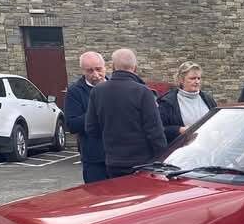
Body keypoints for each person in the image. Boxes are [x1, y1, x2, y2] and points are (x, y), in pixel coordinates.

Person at [85, 48, 167, 178]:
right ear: (135, 67)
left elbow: (91, 129)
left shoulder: (97, 91)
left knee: (120, 197)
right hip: (142, 162)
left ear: (112, 66)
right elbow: (155, 131)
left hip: (113, 161)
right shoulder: (143, 92)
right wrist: (163, 159)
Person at [64, 51, 108, 182]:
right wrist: (96, 112)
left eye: (99, 69)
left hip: (120, 157)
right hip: (94, 159)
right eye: (90, 71)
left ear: (105, 67)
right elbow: (72, 125)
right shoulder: (75, 91)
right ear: (83, 71)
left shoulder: (116, 85)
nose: (96, 75)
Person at [158, 61, 217, 143]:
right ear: (181, 80)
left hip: (207, 147)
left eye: (198, 78)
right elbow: (159, 129)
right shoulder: (167, 102)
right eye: (192, 78)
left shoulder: (208, 99)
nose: (197, 82)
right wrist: (179, 130)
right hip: (183, 150)